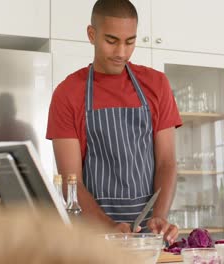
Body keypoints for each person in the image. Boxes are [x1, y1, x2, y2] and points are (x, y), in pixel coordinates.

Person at [46, 0, 182, 244]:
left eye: (130, 42)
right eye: (111, 41)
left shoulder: (157, 85)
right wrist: (109, 229)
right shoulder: (67, 93)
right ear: (91, 34)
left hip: (147, 239)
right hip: (94, 239)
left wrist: (160, 216)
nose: (121, 53)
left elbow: (166, 162)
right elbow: (71, 181)